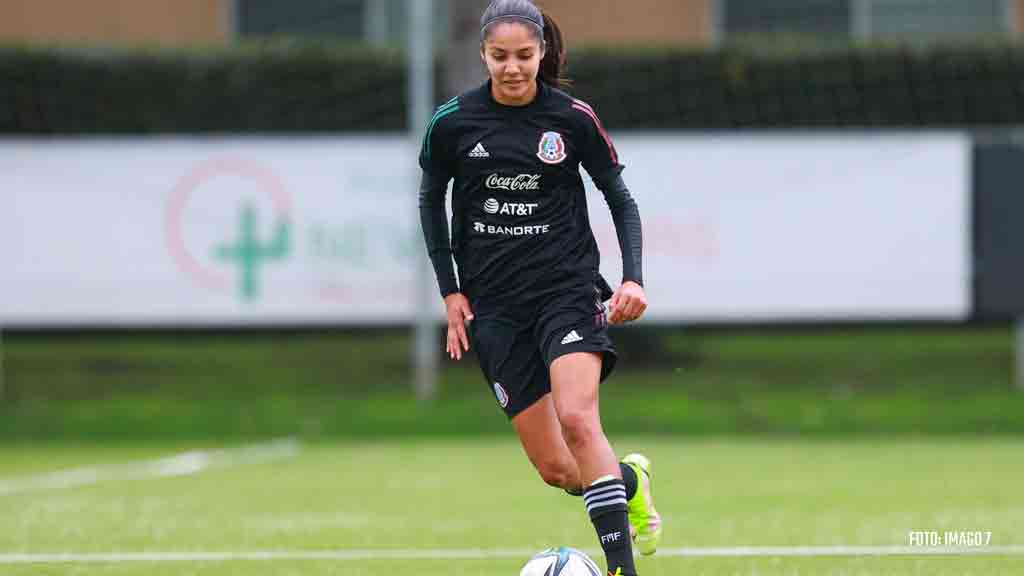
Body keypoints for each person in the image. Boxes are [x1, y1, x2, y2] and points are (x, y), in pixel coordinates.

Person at [418, 2, 661, 574]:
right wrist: (450, 290)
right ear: (482, 55)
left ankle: (623, 568)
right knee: (558, 468)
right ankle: (628, 481)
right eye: (499, 56)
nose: (511, 67)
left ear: (542, 53)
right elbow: (431, 202)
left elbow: (619, 198)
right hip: (494, 306)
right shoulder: (452, 122)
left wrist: (633, 277)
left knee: (579, 421)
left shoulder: (573, 118)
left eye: (524, 56)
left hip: (566, 291)